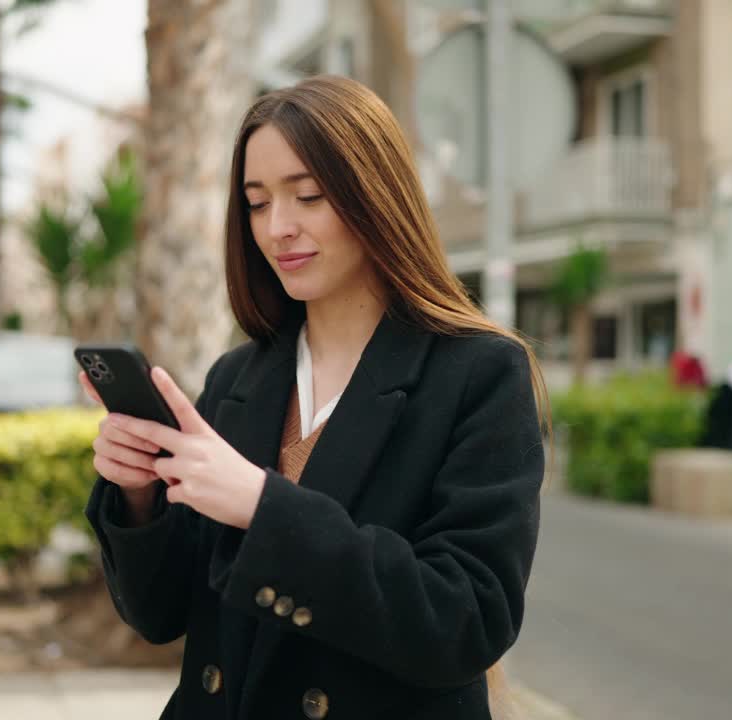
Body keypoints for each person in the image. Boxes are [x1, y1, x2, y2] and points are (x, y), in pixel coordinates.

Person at [79, 76, 547, 720]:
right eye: (257, 202)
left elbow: (465, 621)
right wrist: (138, 497)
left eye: (309, 195)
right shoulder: (236, 378)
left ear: (375, 195)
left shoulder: (479, 372)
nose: (278, 228)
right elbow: (158, 616)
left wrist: (264, 508)